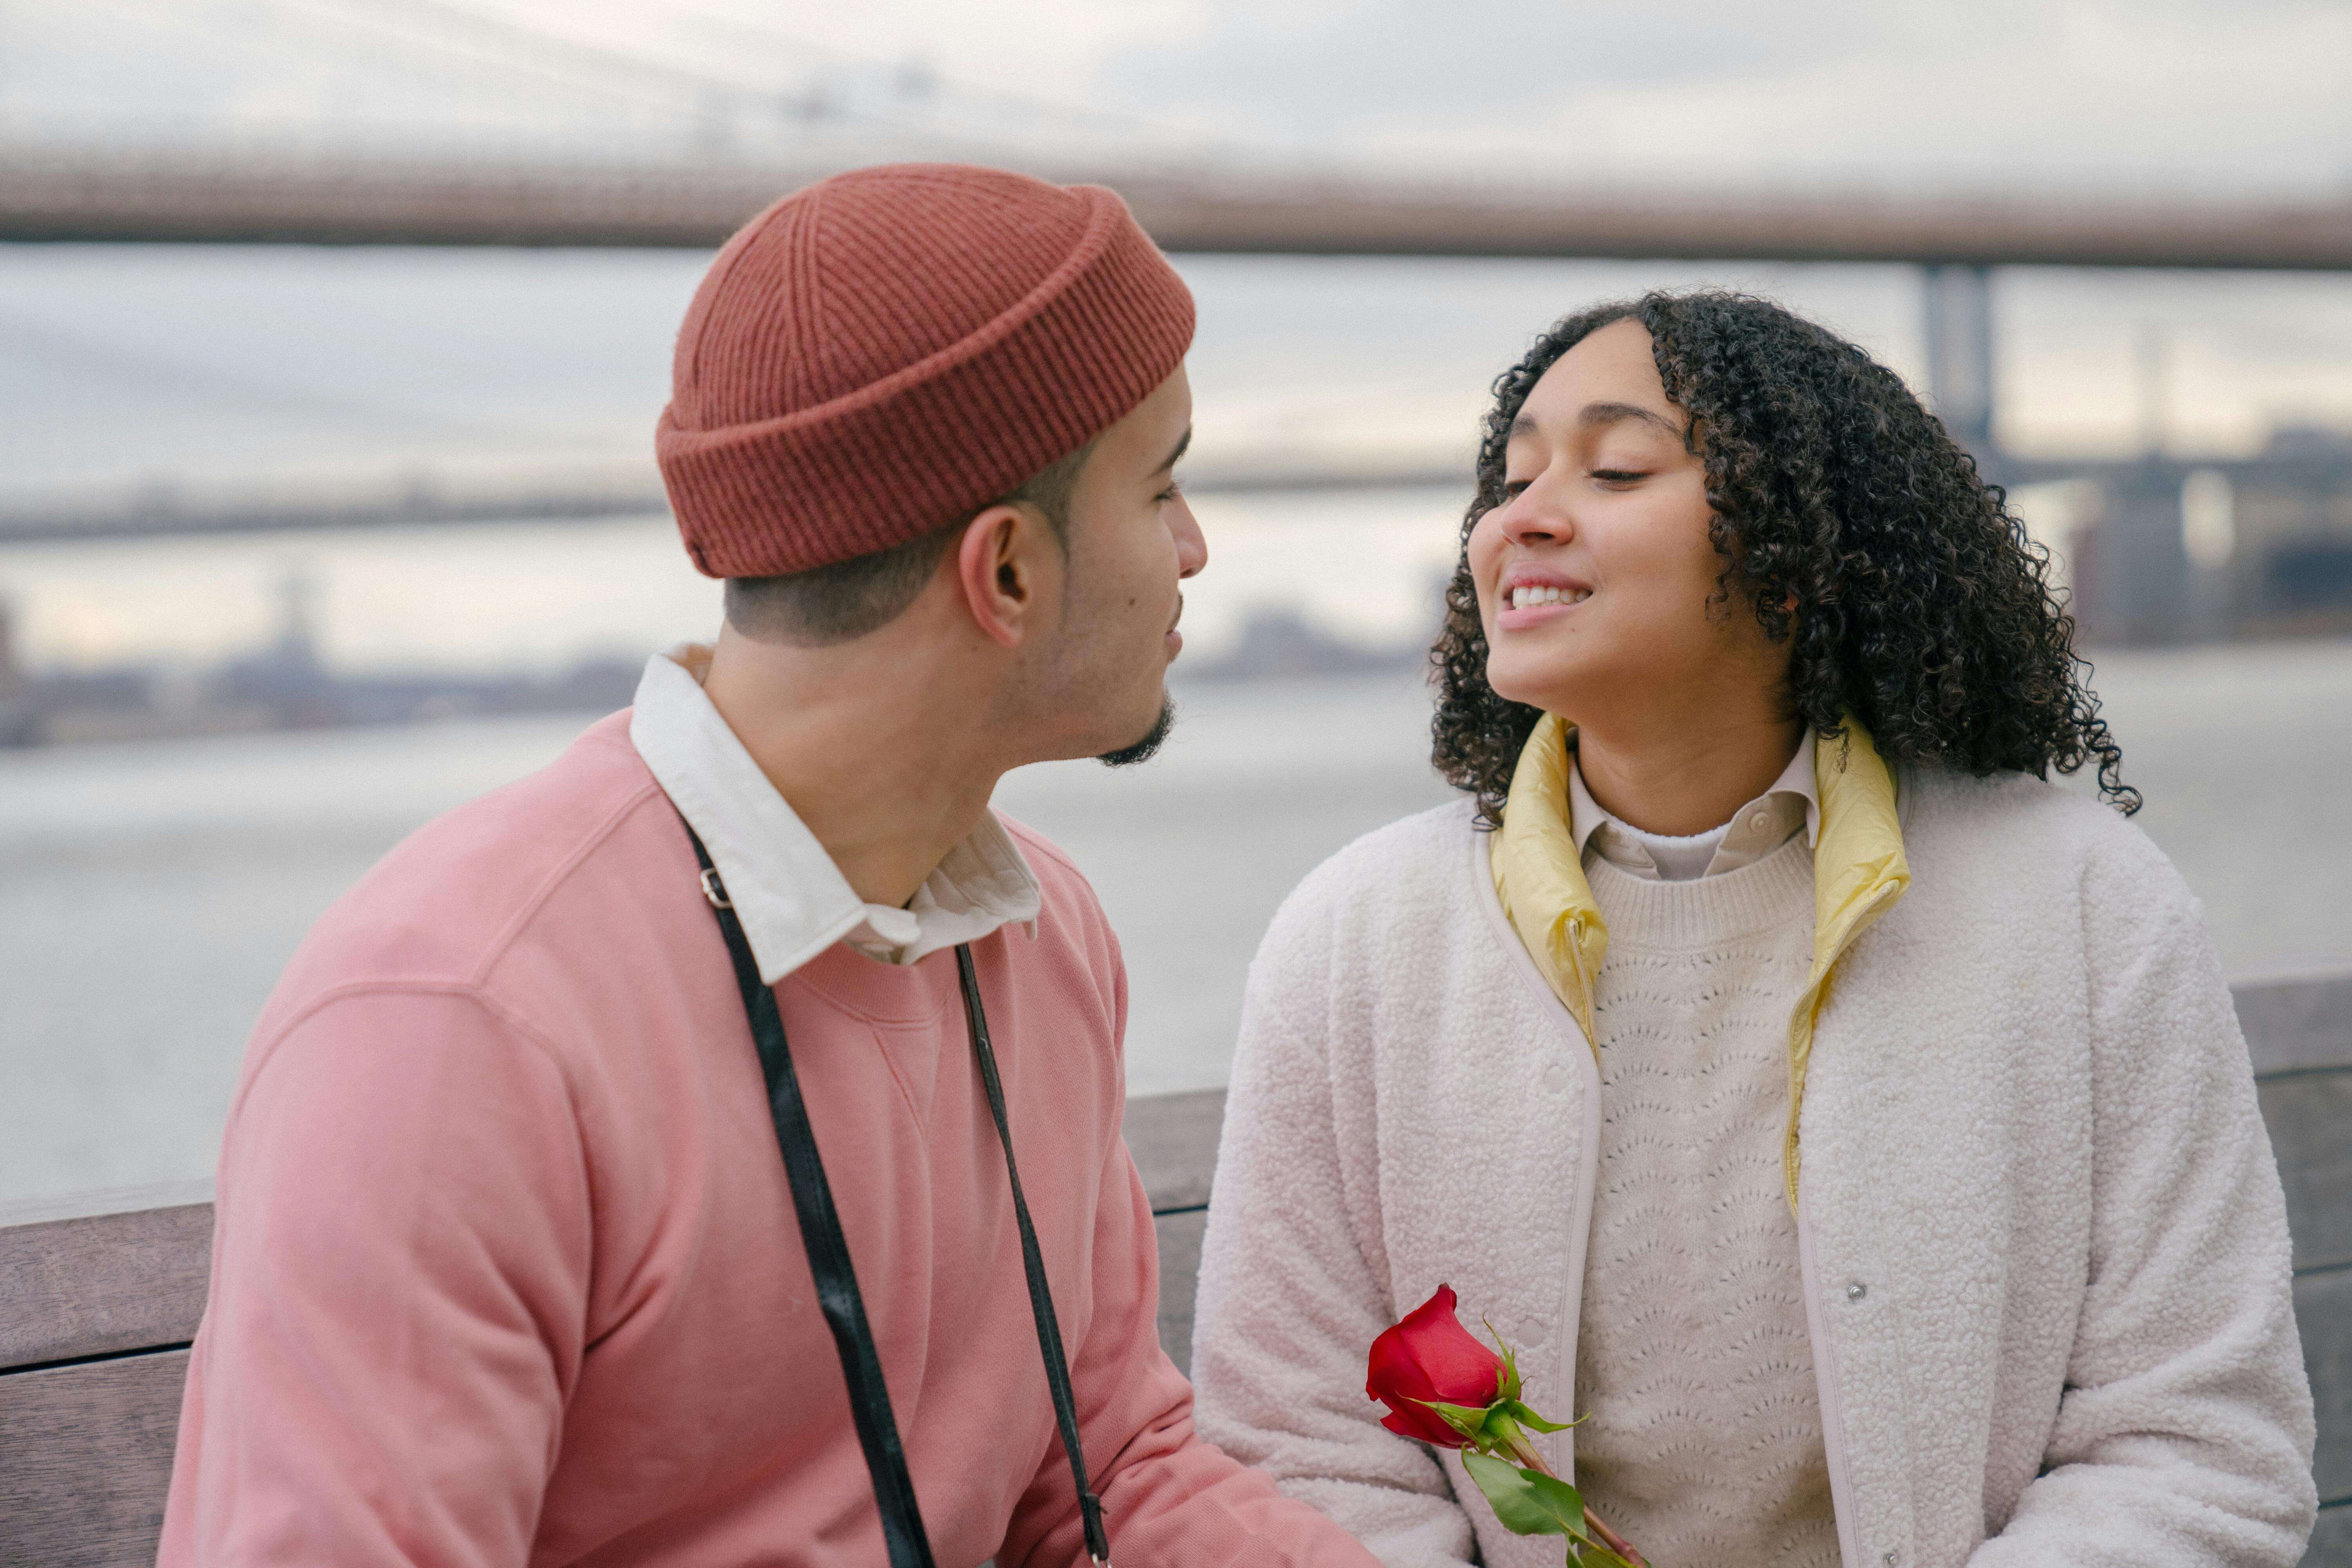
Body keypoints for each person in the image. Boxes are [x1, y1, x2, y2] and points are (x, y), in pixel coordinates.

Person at [160, 163, 1383, 1568]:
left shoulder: (1046, 937)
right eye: (1160, 485)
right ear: (1006, 576)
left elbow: (1103, 1472)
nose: (1194, 548)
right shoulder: (456, 1023)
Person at [1189, 292, 2317, 1567]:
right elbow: (1297, 1453)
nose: (1524, 516)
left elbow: (2197, 1448)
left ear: (1800, 548)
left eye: (1617, 467)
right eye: (1511, 478)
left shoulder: (2086, 905)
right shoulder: (1353, 941)